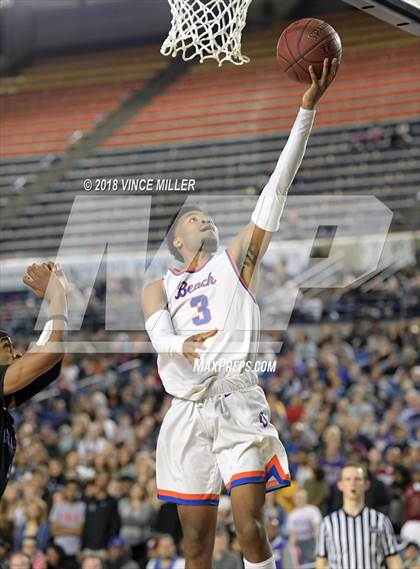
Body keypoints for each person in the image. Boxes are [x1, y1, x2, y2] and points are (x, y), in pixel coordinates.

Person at [143, 58, 339, 569]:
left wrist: (306, 111)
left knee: (251, 529)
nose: (203, 217)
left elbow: (275, 190)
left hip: (234, 395)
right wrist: (179, 345)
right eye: (192, 217)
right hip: (186, 410)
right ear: (176, 239)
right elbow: (158, 331)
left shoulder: (234, 263)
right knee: (195, 545)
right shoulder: (157, 285)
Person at [0, 262, 68, 498]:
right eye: (8, 348)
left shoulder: (7, 398)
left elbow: (50, 365)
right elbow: (50, 351)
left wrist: (57, 302)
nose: (18, 354)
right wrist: (57, 294)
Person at [316, 464, 403, 569]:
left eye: (357, 479)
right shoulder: (328, 523)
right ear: (340, 485)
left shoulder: (380, 520)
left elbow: (392, 558)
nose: (353, 483)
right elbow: (321, 562)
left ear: (366, 484)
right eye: (348, 479)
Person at [49, 478, 86, 561]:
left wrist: (61, 528)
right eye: (69, 489)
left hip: (75, 551)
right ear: (65, 490)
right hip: (58, 551)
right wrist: (73, 530)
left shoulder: (82, 506)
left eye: (74, 489)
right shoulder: (58, 506)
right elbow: (53, 531)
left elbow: (79, 531)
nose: (72, 492)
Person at [286, 488, 321, 564]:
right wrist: (290, 552)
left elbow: (317, 530)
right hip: (299, 543)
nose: (299, 500)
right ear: (294, 499)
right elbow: (292, 536)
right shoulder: (291, 515)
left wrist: (318, 547)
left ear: (306, 498)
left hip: (312, 541)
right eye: (297, 498)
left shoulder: (313, 510)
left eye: (301, 497)